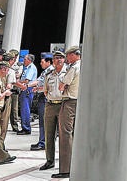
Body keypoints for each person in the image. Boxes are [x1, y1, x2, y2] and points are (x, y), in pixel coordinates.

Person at [53, 45, 82, 179]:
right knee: (75, 134)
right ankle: (76, 165)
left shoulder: (74, 68)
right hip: (79, 102)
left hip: (70, 102)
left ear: (74, 55)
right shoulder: (84, 66)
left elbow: (61, 85)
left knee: (65, 134)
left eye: (69, 55)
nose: (67, 58)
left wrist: (63, 87)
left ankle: (65, 168)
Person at [40, 50, 66, 171]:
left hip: (63, 105)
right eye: (56, 58)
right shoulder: (49, 74)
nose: (58, 60)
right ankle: (49, 160)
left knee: (64, 135)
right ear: (53, 61)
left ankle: (65, 161)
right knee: (49, 134)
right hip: (50, 105)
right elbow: (45, 90)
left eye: (61, 58)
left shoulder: (67, 74)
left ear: (64, 60)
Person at [31, 52, 56, 152]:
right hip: (44, 96)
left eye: (42, 62)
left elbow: (39, 82)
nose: (40, 64)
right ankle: (43, 141)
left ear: (48, 62)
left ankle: (43, 142)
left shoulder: (49, 71)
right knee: (43, 121)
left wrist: (27, 86)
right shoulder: (47, 71)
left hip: (46, 98)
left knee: (44, 121)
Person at [17, 52, 38, 135]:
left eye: (25, 59)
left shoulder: (31, 68)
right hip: (25, 88)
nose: (23, 60)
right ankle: (25, 127)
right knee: (24, 108)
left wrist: (16, 82)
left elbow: (26, 80)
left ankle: (26, 128)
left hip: (27, 88)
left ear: (29, 60)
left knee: (25, 109)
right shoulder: (26, 67)